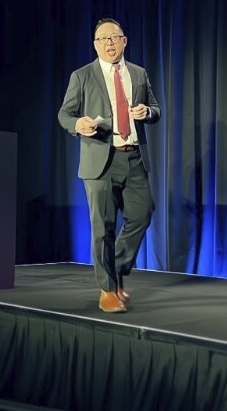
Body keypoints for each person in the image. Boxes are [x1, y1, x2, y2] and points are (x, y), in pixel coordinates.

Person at [58, 18, 161, 313]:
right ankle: (107, 289)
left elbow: (156, 109)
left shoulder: (138, 73)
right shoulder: (82, 76)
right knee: (103, 227)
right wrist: (78, 123)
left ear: (124, 41)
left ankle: (115, 271)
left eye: (114, 38)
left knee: (142, 213)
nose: (109, 44)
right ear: (95, 45)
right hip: (101, 160)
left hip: (134, 156)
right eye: (102, 39)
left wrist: (147, 112)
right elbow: (65, 115)